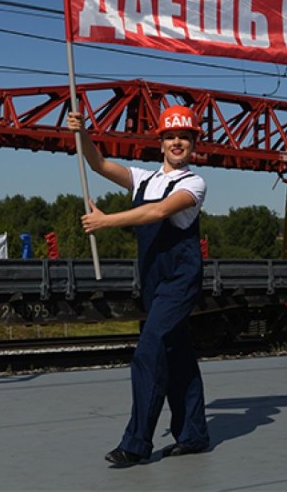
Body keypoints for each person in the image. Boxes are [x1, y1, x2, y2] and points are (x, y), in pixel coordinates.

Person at [67, 105, 210, 466]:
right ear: (160, 142)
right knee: (177, 355)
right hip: (153, 280)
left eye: (185, 137)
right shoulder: (142, 179)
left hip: (179, 279)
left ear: (193, 144)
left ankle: (136, 443)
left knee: (150, 349)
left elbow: (158, 212)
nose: (177, 142)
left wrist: (105, 222)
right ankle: (193, 434)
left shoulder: (193, 183)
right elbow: (98, 164)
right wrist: (82, 133)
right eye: (171, 136)